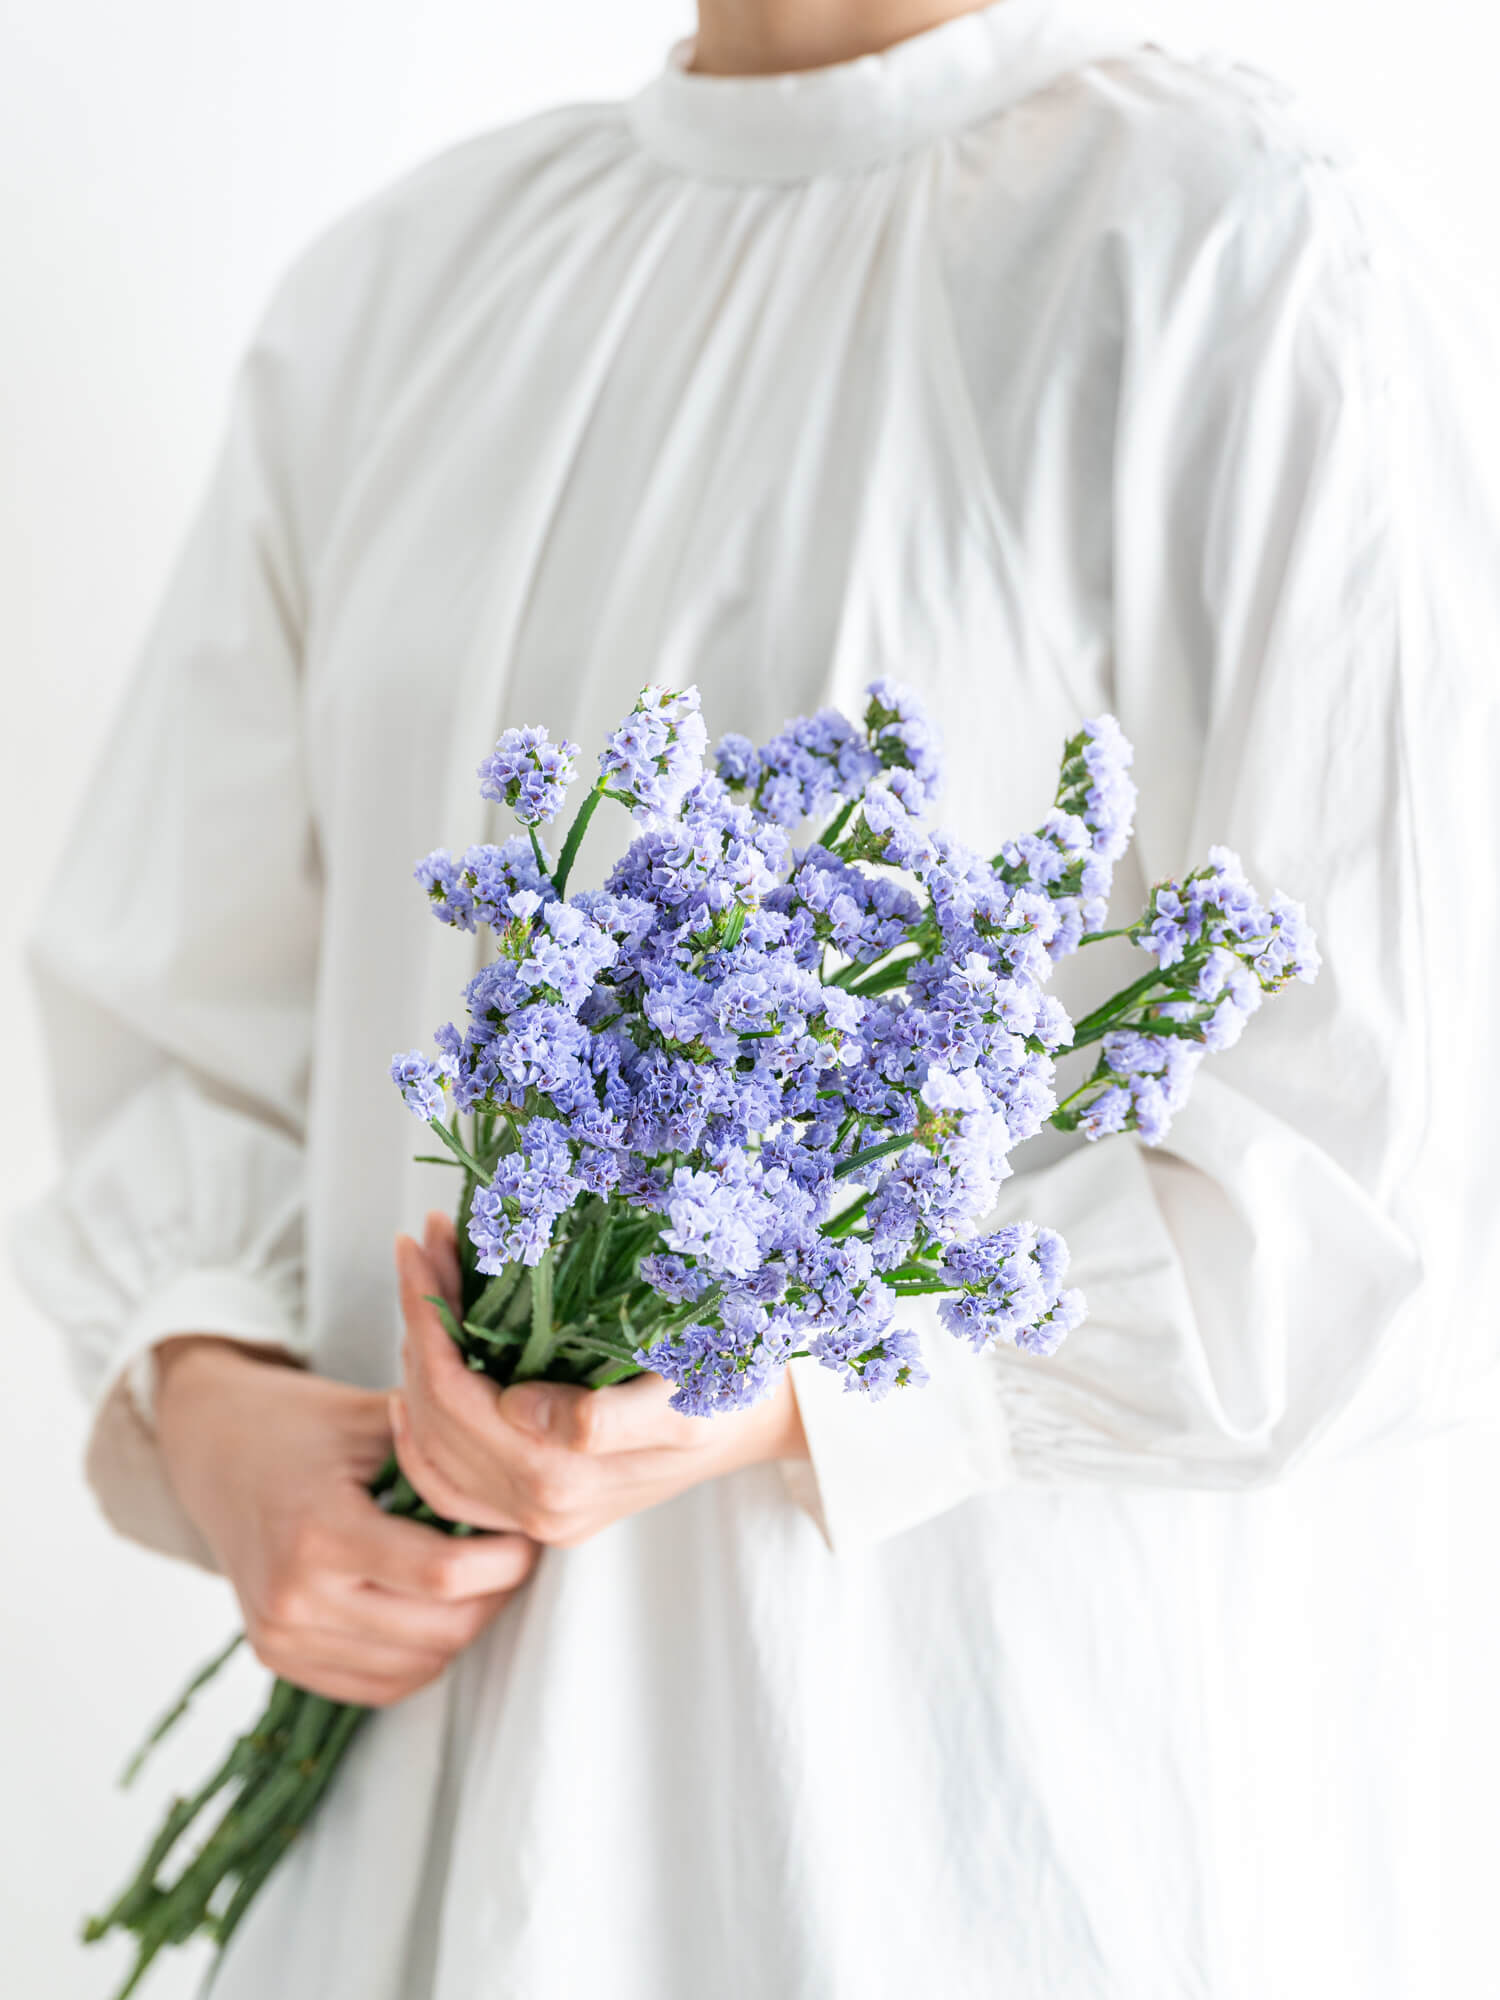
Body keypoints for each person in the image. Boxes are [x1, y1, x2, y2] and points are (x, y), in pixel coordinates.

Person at [15, 1, 1499, 1994]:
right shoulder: (403, 291)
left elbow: (1388, 1187)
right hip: (402, 1862)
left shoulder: (1244, 258)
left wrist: (801, 1386)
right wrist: (216, 1409)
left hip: (930, 1856)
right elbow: (174, 1005)